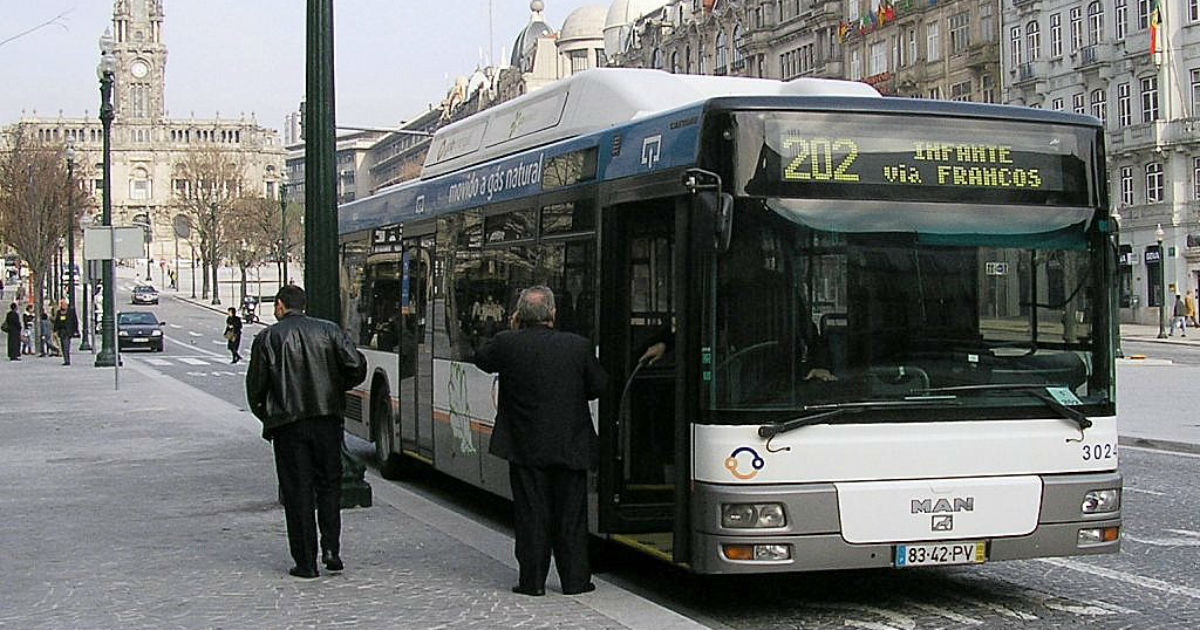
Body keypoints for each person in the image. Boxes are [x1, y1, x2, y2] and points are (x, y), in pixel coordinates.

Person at [474, 286, 607, 597]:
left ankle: (532, 581)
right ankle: (575, 581)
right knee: (571, 516)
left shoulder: (507, 343)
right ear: (553, 313)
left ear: (519, 315)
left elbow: (481, 358)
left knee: (531, 514)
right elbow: (599, 385)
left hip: (525, 447)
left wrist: (511, 330)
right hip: (570, 445)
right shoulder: (577, 346)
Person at [245, 285, 366, 579]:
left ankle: (306, 561)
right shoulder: (329, 331)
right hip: (327, 419)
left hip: (288, 424)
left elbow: (256, 387)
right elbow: (355, 366)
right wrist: (334, 389)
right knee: (329, 485)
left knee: (297, 490)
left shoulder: (268, 338)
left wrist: (269, 415)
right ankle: (331, 549)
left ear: (280, 305)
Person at [53, 299, 78, 366]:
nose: (63, 305)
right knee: (63, 346)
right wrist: (55, 330)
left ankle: (67, 360)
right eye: (62, 304)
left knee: (66, 345)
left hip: (68, 331)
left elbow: (75, 321)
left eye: (64, 304)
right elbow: (57, 322)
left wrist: (75, 330)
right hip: (61, 331)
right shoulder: (59, 312)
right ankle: (65, 359)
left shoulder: (71, 311)